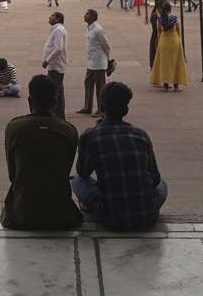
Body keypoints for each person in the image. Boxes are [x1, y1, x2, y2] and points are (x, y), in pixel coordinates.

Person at [71, 81, 167, 230]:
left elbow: (83, 173)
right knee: (163, 183)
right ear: (126, 110)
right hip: (146, 215)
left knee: (76, 179)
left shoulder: (90, 136)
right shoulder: (140, 135)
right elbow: (154, 180)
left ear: (101, 107)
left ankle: (92, 206)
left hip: (111, 217)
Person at [1, 74, 83, 230]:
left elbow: (13, 173)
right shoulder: (68, 131)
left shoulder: (14, 128)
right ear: (55, 102)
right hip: (59, 214)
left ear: (30, 101)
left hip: (22, 213)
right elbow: (65, 170)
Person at [75, 8, 110, 118]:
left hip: (98, 62)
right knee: (88, 82)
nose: (85, 15)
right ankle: (87, 107)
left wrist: (107, 57)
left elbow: (106, 45)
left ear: (93, 17)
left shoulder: (98, 29)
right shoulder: (89, 28)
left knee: (100, 86)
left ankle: (101, 109)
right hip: (91, 61)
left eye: (87, 14)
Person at [149, 2, 188, 91]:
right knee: (176, 63)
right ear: (170, 10)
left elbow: (159, 32)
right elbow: (178, 31)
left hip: (163, 42)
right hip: (174, 42)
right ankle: (176, 86)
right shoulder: (175, 20)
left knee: (165, 64)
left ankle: (166, 86)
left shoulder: (160, 20)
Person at [42, 10, 68, 119]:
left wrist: (47, 60)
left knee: (52, 91)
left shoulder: (58, 30)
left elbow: (58, 48)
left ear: (57, 19)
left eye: (52, 16)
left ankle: (52, 116)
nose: (50, 17)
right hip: (56, 66)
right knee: (59, 92)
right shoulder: (57, 29)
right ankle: (59, 115)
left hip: (55, 66)